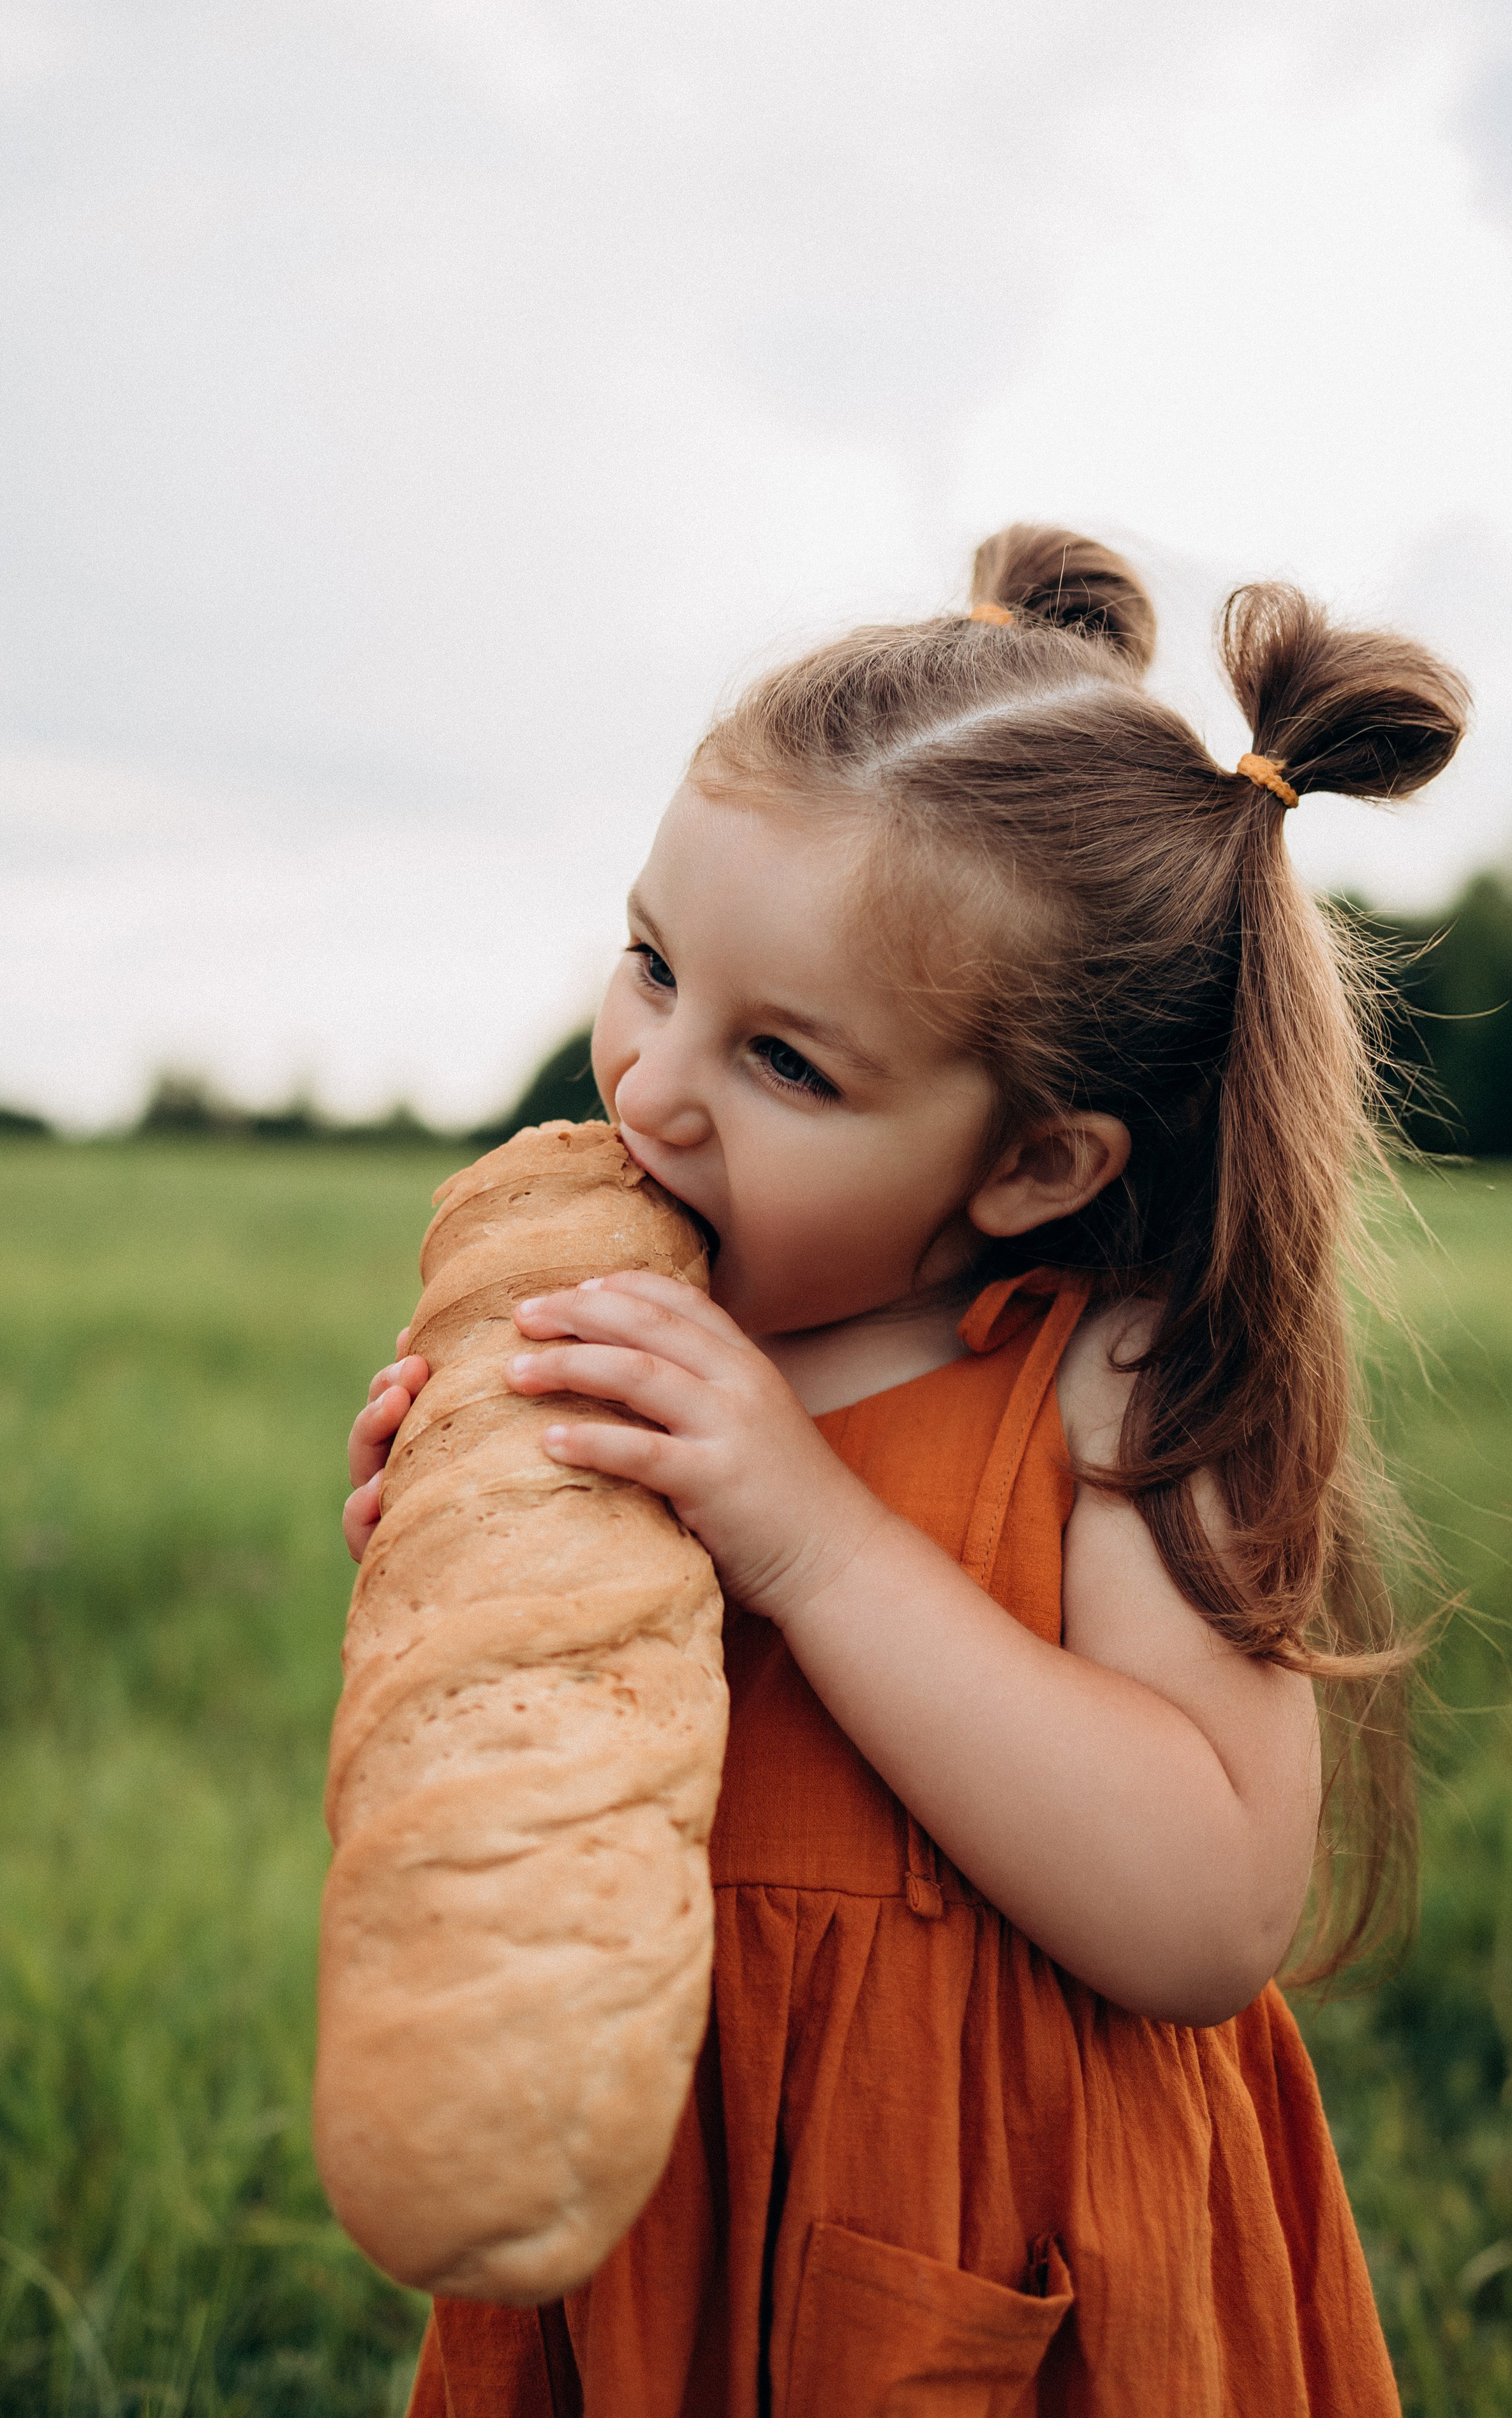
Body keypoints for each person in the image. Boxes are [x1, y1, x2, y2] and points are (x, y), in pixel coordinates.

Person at [342, 526, 1468, 2417]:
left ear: (1033, 1163)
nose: (649, 1086)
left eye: (785, 1062)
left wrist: (809, 1540)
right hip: (665, 2189)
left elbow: (1212, 1912)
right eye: (653, 965)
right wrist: (452, 1571)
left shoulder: (1113, 1386)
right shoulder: (657, 1330)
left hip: (981, 2225)